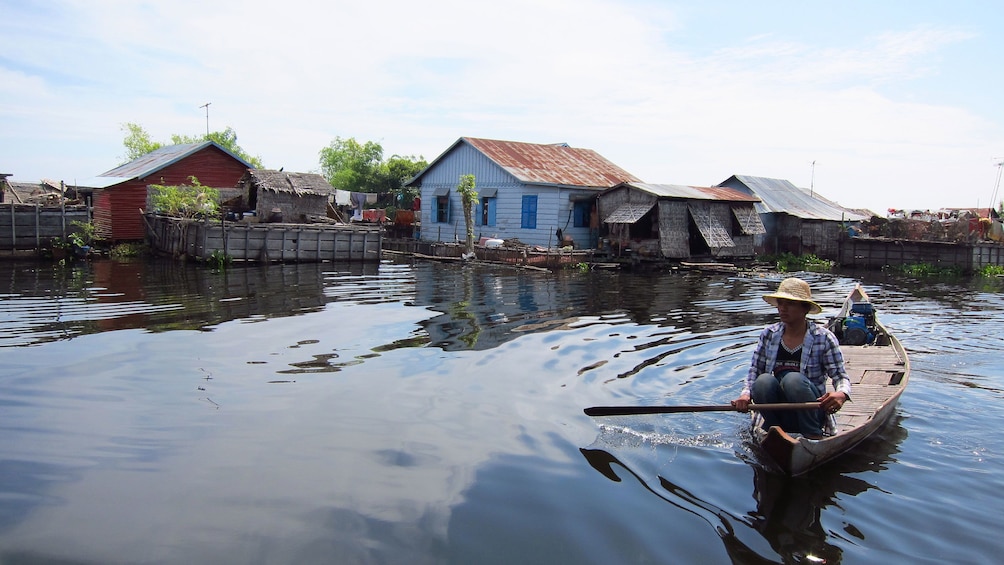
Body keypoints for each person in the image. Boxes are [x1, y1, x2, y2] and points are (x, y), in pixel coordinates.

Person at [731, 278, 850, 439]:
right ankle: (775, 431)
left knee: (792, 380)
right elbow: (754, 371)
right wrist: (745, 395)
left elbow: (840, 376)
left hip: (811, 411)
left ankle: (812, 434)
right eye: (780, 303)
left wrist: (841, 394)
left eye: (790, 304)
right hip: (779, 411)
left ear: (805, 309)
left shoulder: (823, 338)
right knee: (763, 381)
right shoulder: (769, 335)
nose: (783, 308)